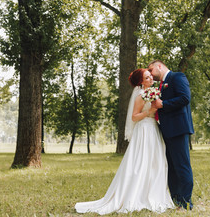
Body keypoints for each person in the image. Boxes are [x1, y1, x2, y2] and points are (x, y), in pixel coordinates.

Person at [75, 68, 174, 215]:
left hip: (154, 129)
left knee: (156, 162)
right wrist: (149, 112)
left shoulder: (154, 92)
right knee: (141, 163)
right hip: (145, 130)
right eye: (147, 78)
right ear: (141, 82)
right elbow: (134, 117)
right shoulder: (141, 95)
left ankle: (154, 192)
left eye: (150, 76)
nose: (151, 79)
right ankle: (137, 195)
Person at [148, 60, 194, 210]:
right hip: (166, 130)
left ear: (159, 66)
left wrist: (164, 104)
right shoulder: (161, 84)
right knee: (171, 167)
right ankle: (175, 199)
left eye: (151, 70)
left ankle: (186, 202)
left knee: (181, 166)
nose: (150, 74)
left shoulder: (177, 77)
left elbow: (184, 98)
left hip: (178, 129)